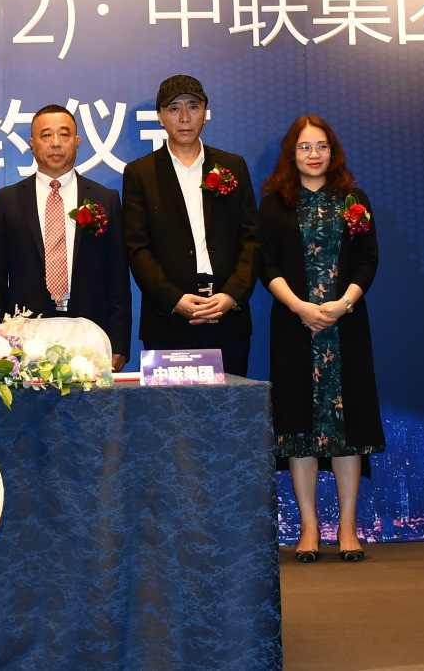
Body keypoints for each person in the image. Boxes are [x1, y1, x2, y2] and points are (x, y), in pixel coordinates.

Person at [258, 115, 384, 563]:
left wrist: (342, 304)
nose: (314, 155)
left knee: (347, 429)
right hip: (294, 328)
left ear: (333, 152)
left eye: (322, 146)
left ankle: (348, 527)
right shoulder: (274, 204)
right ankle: (309, 528)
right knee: (298, 430)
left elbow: (368, 260)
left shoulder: (354, 201)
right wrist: (301, 307)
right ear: (291, 154)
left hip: (345, 327)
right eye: (305, 147)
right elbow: (266, 265)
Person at [121, 75, 259, 376]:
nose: (184, 117)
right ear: (160, 117)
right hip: (168, 318)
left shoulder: (232, 166)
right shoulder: (140, 173)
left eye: (193, 107)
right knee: (169, 407)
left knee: (231, 403)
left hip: (227, 317)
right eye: (174, 108)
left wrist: (231, 296)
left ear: (205, 112)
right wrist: (174, 300)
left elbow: (251, 238)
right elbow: (137, 249)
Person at [0, 104, 132, 367]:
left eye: (64, 134)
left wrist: (118, 343)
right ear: (32, 143)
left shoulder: (104, 198)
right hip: (24, 335)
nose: (55, 143)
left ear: (77, 142)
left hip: (90, 333)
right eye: (46, 135)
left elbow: (117, 277)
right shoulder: (7, 201)